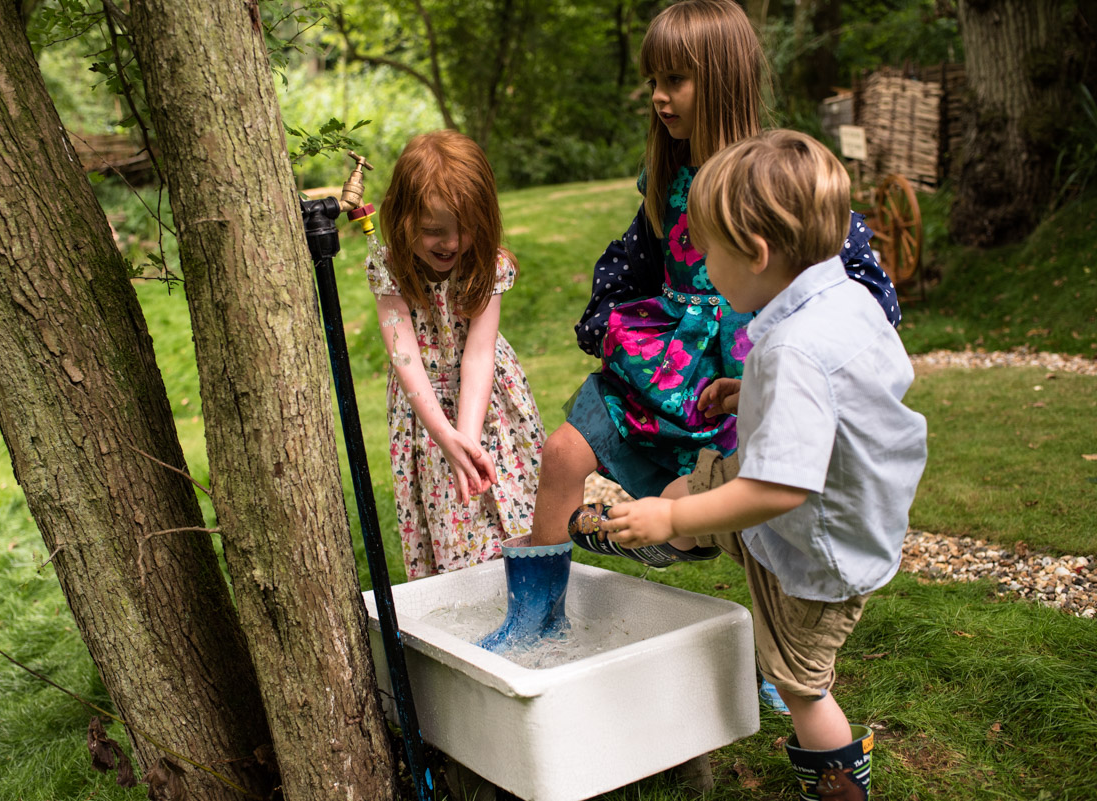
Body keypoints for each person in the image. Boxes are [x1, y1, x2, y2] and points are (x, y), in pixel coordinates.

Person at [532, 0, 897, 712]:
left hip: (740, 391)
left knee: (761, 534)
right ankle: (540, 628)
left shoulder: (781, 178)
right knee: (562, 454)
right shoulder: (665, 184)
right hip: (662, 379)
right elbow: (631, 266)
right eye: (653, 80)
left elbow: (859, 287)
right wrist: (608, 318)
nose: (660, 96)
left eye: (676, 79)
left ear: (725, 80)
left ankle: (781, 659)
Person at [594, 128, 928, 800]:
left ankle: (839, 789)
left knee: (804, 686)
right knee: (710, 476)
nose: (703, 265)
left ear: (756, 252)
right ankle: (674, 535)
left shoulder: (794, 351)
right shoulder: (848, 302)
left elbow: (777, 488)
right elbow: (859, 385)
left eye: (709, 250)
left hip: (818, 549)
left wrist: (672, 511)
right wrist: (755, 393)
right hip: (852, 510)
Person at [367, 130, 544, 580]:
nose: (452, 242)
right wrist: (446, 439)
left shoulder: (486, 262)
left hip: (490, 405)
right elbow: (404, 359)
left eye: (466, 228)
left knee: (512, 508)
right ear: (403, 218)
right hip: (425, 413)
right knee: (454, 519)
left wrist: (466, 439)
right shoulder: (389, 267)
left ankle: (533, 595)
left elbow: (479, 355)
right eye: (433, 230)